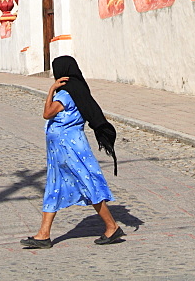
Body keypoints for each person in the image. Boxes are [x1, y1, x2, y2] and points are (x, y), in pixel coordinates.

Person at [21, 55, 124, 249]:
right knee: (54, 187)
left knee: (87, 182)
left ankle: (112, 226)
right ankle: (43, 235)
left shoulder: (65, 94)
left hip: (69, 147)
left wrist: (51, 90)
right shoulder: (77, 90)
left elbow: (47, 113)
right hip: (61, 149)